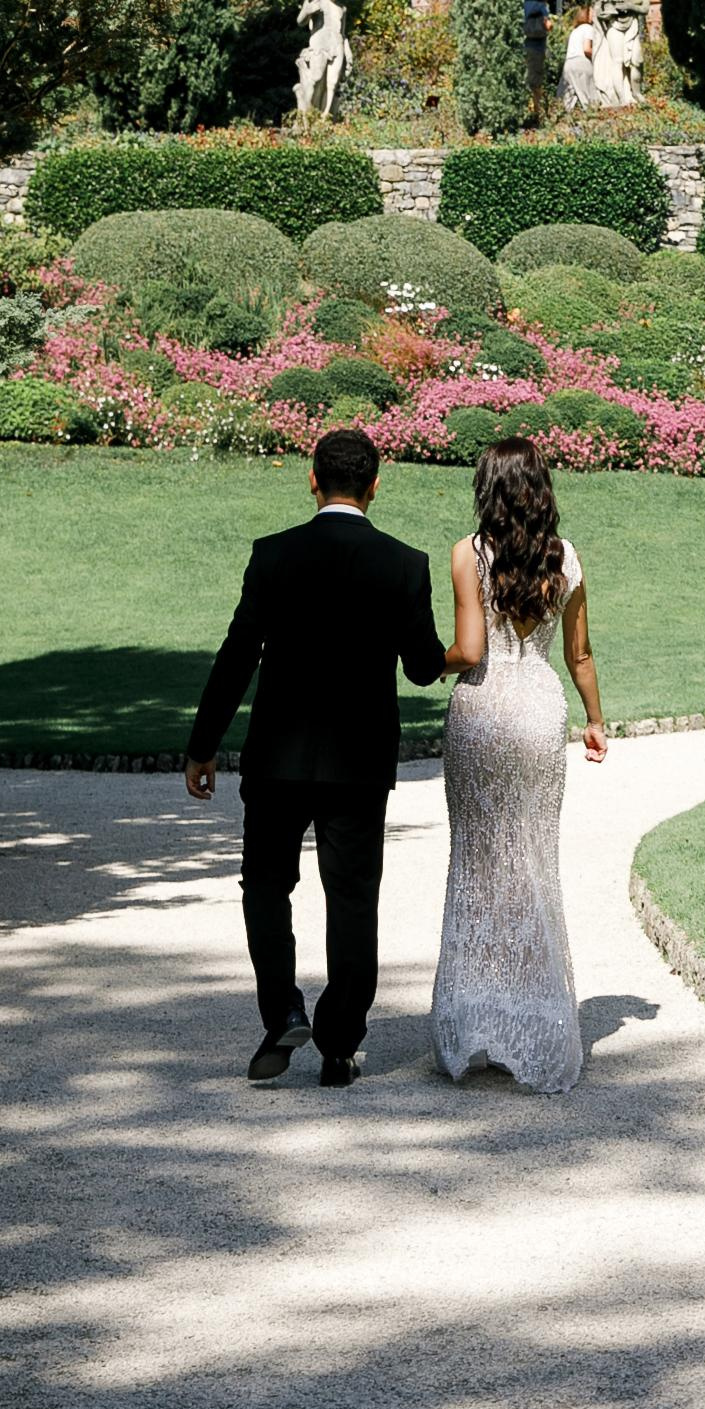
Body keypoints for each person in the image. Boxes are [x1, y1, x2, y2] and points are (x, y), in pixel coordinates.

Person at [185, 427, 444, 1087]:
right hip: (359, 763)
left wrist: (202, 744)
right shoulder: (404, 564)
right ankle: (338, 1041)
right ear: (375, 485)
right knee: (353, 898)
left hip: (277, 755)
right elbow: (419, 668)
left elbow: (237, 654)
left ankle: (282, 1013)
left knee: (266, 886)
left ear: (312, 478)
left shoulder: (273, 555)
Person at [432, 437, 607, 1093]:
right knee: (533, 856)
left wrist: (427, 655)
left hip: (480, 711)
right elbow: (580, 655)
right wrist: (594, 719)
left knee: (478, 858)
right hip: (536, 707)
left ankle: (472, 1021)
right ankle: (537, 1017)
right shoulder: (564, 558)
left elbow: (469, 648)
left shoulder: (465, 554)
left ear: (488, 489)